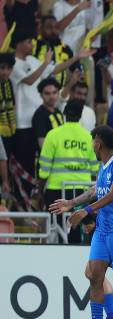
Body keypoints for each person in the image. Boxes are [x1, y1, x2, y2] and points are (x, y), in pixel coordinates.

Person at [49, 126, 113, 319]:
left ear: (98, 143)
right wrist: (71, 203)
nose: (92, 145)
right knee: (94, 275)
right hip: (103, 230)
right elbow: (95, 191)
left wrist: (86, 211)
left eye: (92, 141)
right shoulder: (104, 166)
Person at [11, 28, 93, 210]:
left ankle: (34, 208)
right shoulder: (13, 64)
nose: (32, 44)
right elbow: (31, 80)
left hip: (41, 124)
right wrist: (45, 64)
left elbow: (53, 69)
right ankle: (24, 211)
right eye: (29, 41)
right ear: (19, 43)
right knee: (26, 173)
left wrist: (76, 57)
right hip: (23, 126)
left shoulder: (33, 60)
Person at [38, 100, 98, 243]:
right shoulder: (89, 137)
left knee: (59, 229)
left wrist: (40, 191)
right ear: (80, 115)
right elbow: (95, 168)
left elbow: (44, 169)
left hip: (56, 190)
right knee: (79, 228)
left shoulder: (53, 135)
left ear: (64, 114)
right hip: (82, 191)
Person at [32, 15, 76, 89]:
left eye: (56, 28)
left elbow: (76, 70)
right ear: (40, 28)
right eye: (49, 28)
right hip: (36, 90)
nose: (53, 31)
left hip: (58, 92)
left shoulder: (65, 48)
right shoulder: (33, 45)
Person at [31, 77, 64, 149]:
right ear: (41, 95)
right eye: (47, 93)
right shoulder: (40, 115)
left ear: (58, 93)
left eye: (54, 92)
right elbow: (42, 145)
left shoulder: (58, 112)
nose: (51, 96)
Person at [0, 53, 16, 159]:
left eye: (9, 68)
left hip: (10, 129)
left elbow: (13, 105)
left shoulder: (9, 82)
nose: (6, 72)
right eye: (2, 68)